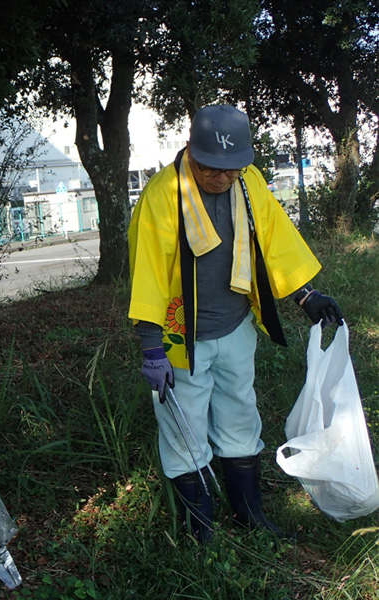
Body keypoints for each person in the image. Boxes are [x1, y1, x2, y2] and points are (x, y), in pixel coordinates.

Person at [128, 105, 343, 543]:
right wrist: (152, 345)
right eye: (211, 169)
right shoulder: (162, 194)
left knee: (241, 416)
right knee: (184, 429)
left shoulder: (248, 181)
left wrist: (306, 294)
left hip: (236, 326)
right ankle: (198, 528)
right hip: (181, 336)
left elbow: (273, 238)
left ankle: (249, 514)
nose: (222, 178)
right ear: (191, 151)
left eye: (231, 169)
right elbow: (146, 268)